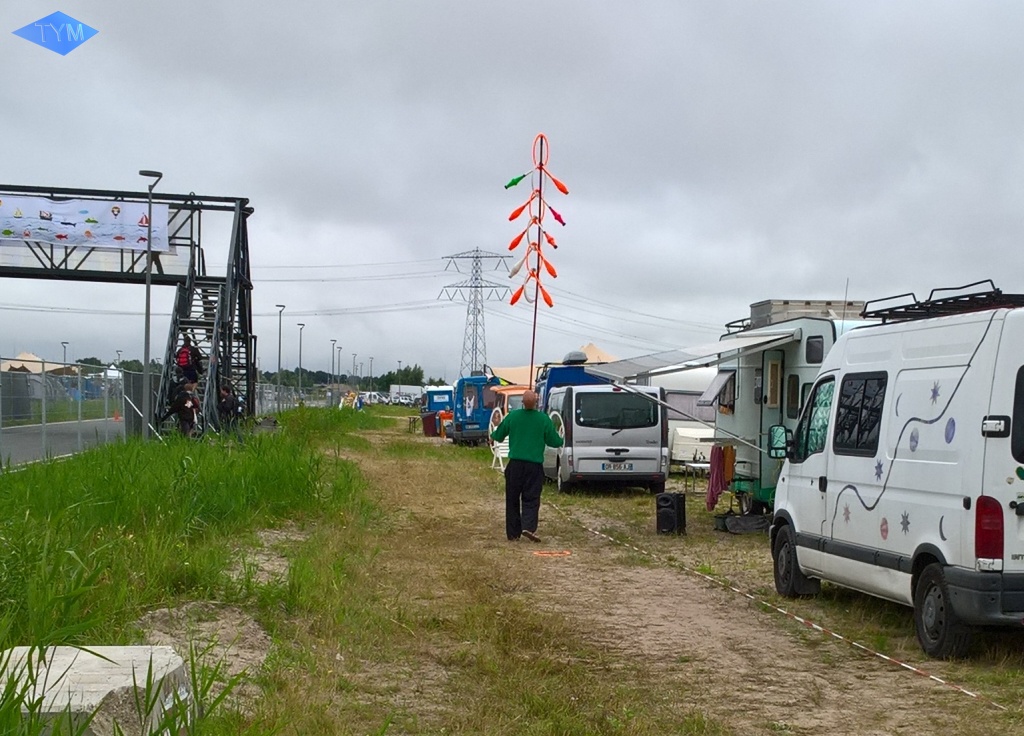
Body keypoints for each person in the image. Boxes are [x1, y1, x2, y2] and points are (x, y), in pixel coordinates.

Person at [489, 389, 564, 542]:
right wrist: (561, 438)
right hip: (534, 466)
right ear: (536, 402)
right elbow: (554, 441)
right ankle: (528, 527)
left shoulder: (513, 417)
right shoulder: (543, 419)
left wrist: (492, 435)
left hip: (515, 465)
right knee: (531, 498)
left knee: (512, 499)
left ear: (522, 403)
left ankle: (513, 533)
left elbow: (499, 435)